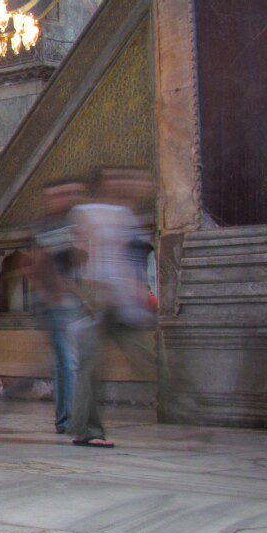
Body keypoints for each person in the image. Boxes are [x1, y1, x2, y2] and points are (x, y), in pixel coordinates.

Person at [67, 168, 157, 449]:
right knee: (91, 367)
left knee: (148, 359)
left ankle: (193, 417)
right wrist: (88, 293)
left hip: (123, 301)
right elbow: (79, 253)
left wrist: (141, 293)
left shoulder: (127, 218)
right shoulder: (87, 212)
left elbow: (132, 261)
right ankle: (86, 430)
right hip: (98, 298)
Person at [29, 180, 87, 434]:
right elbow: (40, 265)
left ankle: (69, 416)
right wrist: (54, 293)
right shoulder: (45, 227)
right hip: (56, 303)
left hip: (70, 301)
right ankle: (67, 420)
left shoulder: (71, 224)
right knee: (67, 361)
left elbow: (80, 259)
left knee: (67, 361)